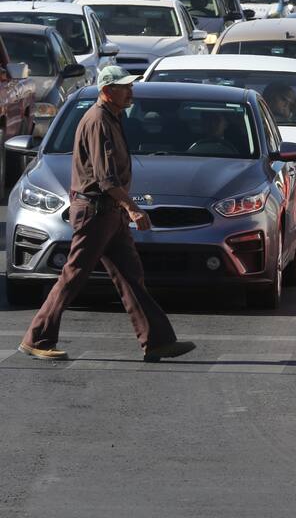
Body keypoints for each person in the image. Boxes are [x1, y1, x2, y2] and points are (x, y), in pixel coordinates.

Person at [19, 67, 195, 363]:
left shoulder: (112, 117)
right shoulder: (98, 120)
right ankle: (37, 338)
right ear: (107, 91)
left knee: (130, 276)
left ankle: (157, 341)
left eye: (130, 86)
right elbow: (106, 178)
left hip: (108, 213)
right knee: (74, 275)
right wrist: (133, 208)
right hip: (96, 211)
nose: (131, 91)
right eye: (124, 87)